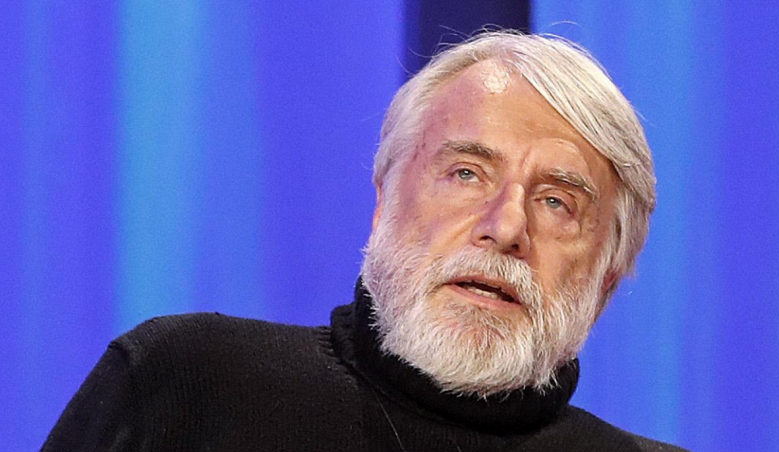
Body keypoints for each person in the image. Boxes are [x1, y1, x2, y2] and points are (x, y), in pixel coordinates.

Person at [42, 32, 688, 451]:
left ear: (607, 277)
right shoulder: (184, 387)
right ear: (383, 202)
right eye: (466, 174)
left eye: (556, 202)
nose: (506, 226)